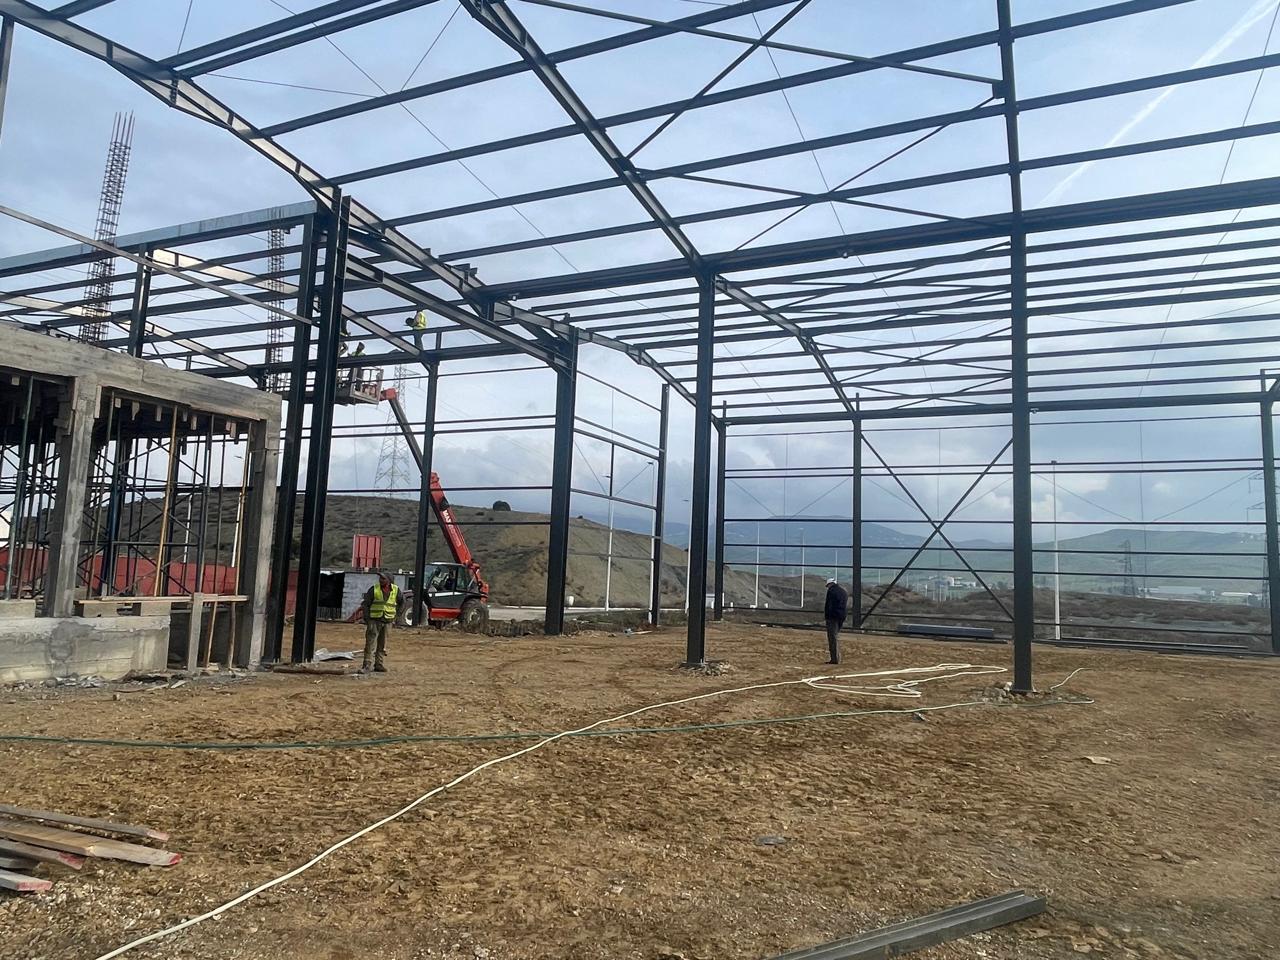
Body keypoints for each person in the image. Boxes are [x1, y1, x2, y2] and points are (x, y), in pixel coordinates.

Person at [360, 570, 403, 673]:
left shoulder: (396, 590)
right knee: (370, 643)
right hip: (374, 620)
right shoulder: (374, 589)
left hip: (388, 621)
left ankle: (379, 664)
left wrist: (396, 616)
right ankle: (367, 665)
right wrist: (367, 619)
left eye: (383, 578)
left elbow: (402, 603)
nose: (380, 580)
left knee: (382, 644)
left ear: (389, 580)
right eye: (380, 578)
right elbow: (365, 604)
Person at [823, 577, 848, 665]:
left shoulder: (831, 592)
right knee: (835, 635)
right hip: (841, 616)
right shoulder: (843, 591)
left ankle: (835, 658)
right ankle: (836, 657)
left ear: (829, 584)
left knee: (832, 637)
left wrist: (827, 616)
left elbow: (829, 605)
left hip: (832, 617)